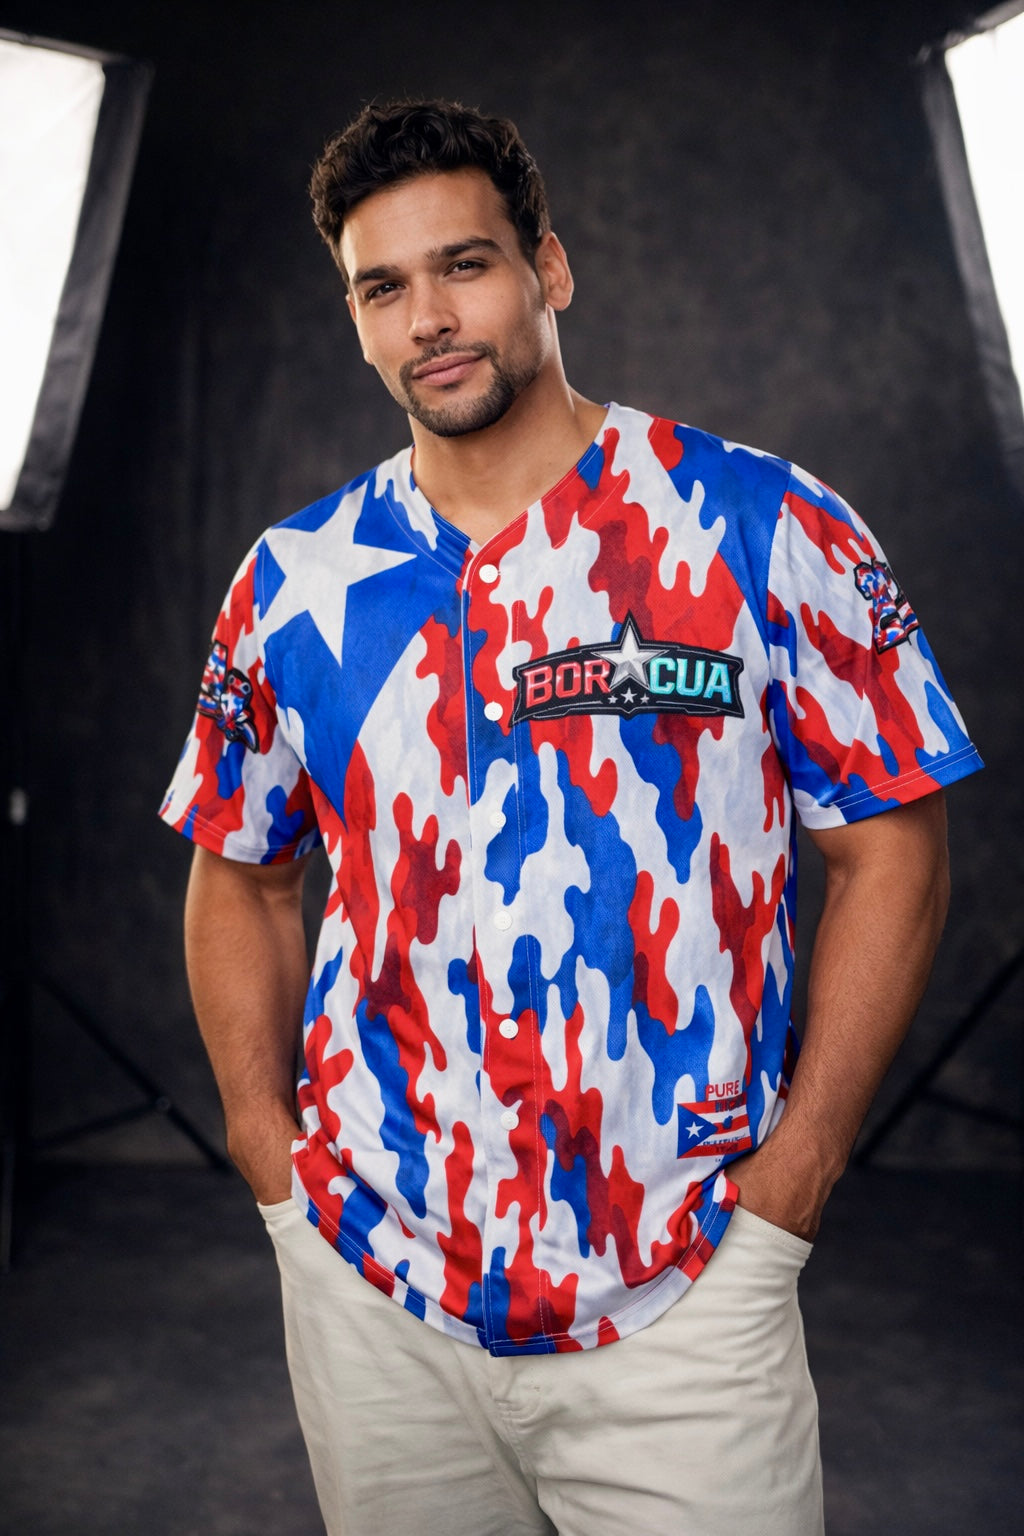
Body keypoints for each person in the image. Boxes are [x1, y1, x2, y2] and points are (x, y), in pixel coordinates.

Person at [160, 99, 982, 1536]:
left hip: (687, 1286)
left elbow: (891, 847)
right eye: (384, 286)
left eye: (465, 265)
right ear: (355, 319)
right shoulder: (295, 581)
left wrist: (797, 1178)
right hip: (376, 1286)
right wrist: (264, 1148)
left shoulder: (757, 528)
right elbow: (239, 875)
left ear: (551, 267)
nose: (430, 316)